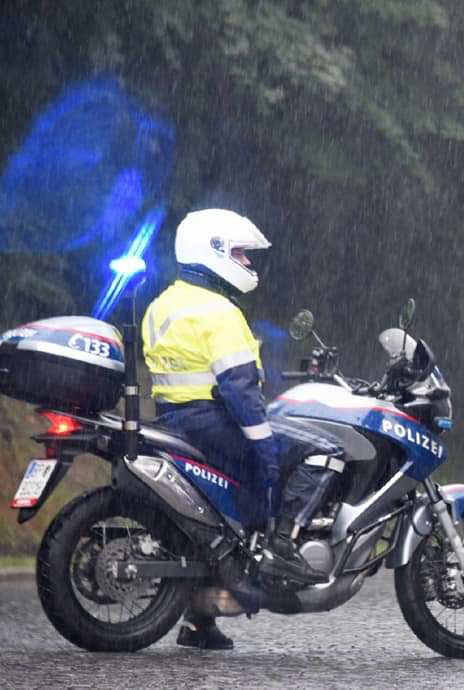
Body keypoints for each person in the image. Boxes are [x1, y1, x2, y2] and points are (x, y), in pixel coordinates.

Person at [142, 208, 345, 650]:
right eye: (240, 254)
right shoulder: (217, 311)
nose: (248, 264)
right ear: (213, 251)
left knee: (225, 515)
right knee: (323, 451)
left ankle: (200, 621)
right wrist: (265, 446)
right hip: (214, 422)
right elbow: (239, 389)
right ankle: (283, 550)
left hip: (175, 419)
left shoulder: (164, 303)